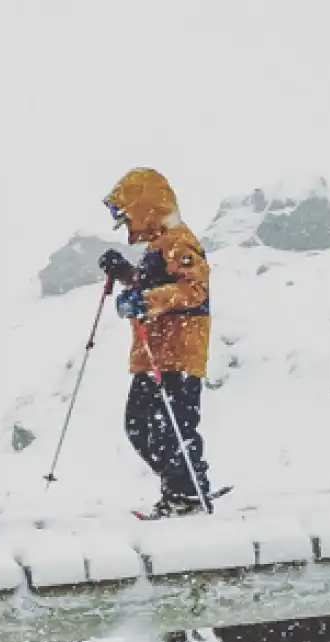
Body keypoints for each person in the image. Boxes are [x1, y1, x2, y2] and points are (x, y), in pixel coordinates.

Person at [97, 168, 219, 518]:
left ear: (145, 206)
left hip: (179, 354)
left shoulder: (180, 241)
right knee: (139, 426)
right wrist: (125, 275)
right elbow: (150, 285)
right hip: (154, 356)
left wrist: (146, 301)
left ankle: (189, 493)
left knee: (172, 427)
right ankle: (179, 488)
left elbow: (194, 290)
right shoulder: (158, 246)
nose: (125, 223)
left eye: (127, 214)